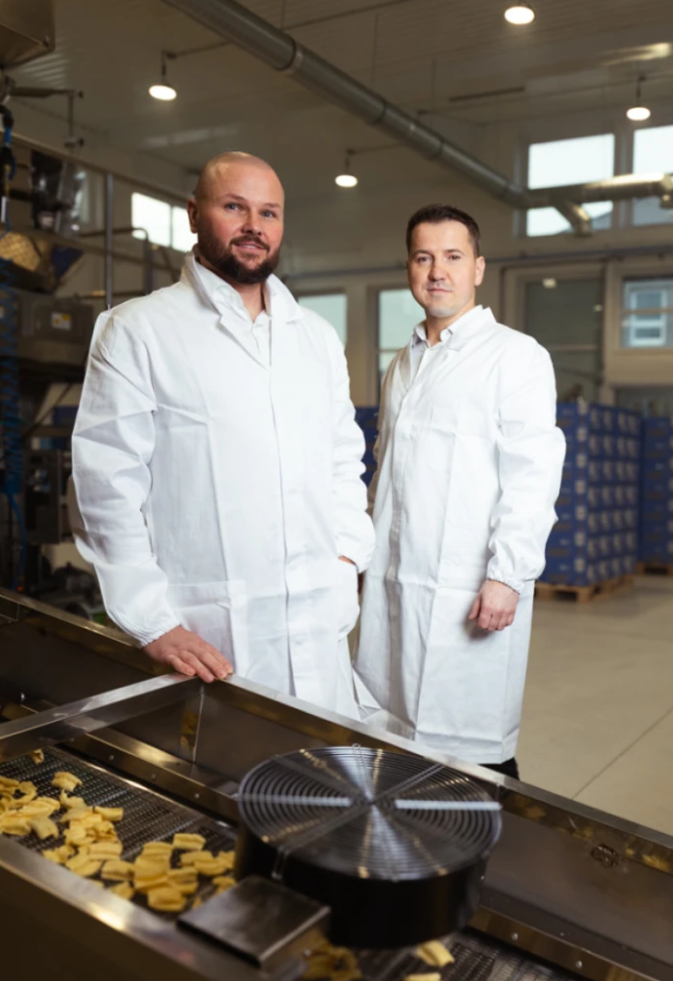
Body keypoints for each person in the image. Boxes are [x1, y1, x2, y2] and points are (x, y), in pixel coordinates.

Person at [72, 152, 374, 717]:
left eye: (269, 213)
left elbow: (342, 462)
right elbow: (105, 485)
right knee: (225, 763)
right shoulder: (138, 330)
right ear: (194, 214)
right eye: (234, 207)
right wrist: (152, 621)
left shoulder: (315, 337)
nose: (254, 226)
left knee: (321, 763)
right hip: (208, 631)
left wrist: (344, 561)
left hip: (317, 621)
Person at [355, 205, 565, 779]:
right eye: (423, 257)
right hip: (395, 583)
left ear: (478, 268)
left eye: (452, 256)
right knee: (393, 731)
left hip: (469, 586)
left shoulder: (515, 356)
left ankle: (486, 834)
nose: (437, 271)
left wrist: (508, 575)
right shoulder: (402, 363)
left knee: (469, 748)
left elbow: (533, 474)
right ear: (409, 268)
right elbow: (385, 469)